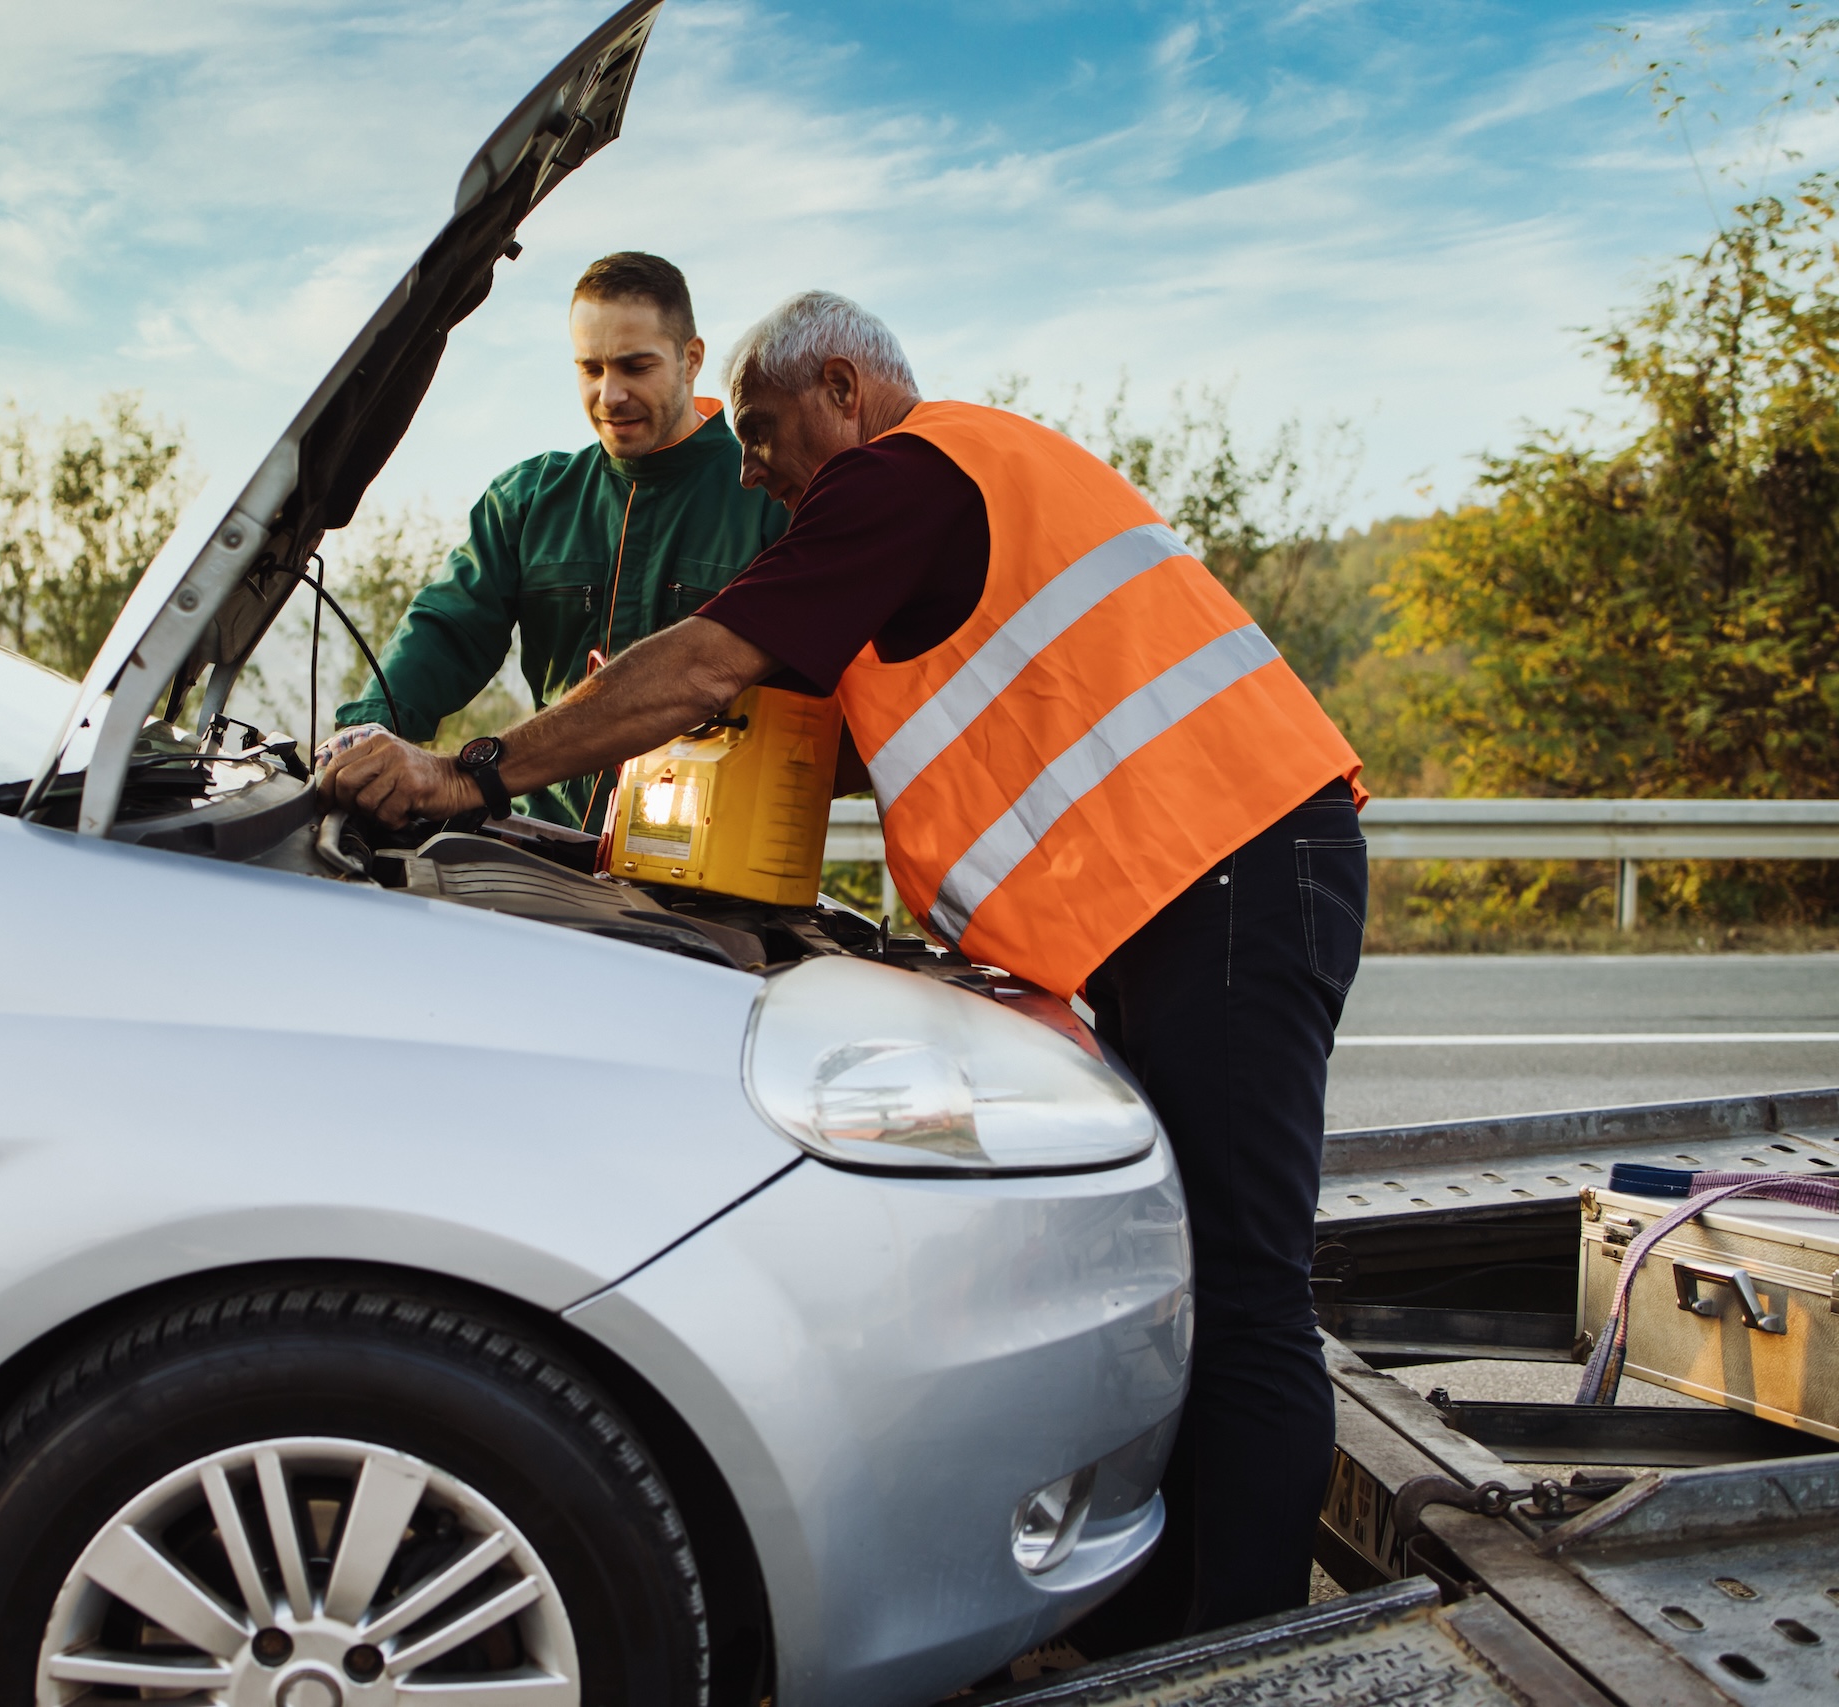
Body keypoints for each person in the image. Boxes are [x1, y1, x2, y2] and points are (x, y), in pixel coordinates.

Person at [318, 290, 1370, 1645]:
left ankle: (1255, 1651)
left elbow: (707, 664)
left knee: (1243, 1287)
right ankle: (1167, 1615)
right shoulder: (937, 506)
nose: (748, 466)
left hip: (1235, 878)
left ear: (840, 388)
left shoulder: (905, 472)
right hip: (1198, 892)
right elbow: (817, 724)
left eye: (759, 432)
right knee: (1193, 1271)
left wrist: (474, 770)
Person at [326, 251, 786, 828]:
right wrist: (366, 733)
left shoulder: (771, 498)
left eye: (635, 367)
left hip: (709, 869)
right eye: (590, 369)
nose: (609, 395)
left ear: (690, 359)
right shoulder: (527, 499)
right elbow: (445, 629)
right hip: (542, 842)